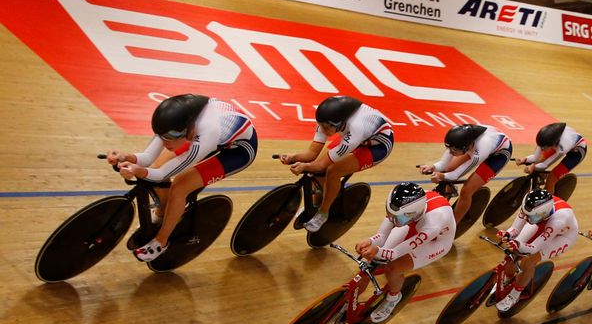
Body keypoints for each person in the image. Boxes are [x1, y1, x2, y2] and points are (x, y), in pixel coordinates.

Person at [107, 94, 258, 262]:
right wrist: (126, 156)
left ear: (186, 130)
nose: (165, 143)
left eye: (169, 138)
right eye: (161, 137)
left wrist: (138, 170)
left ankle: (161, 242)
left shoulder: (208, 133)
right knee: (155, 165)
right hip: (206, 133)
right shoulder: (174, 124)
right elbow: (148, 157)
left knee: (180, 186)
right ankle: (162, 214)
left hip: (239, 151)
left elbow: (163, 174)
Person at [280, 96, 394, 232]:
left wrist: (305, 166)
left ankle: (323, 213)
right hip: (360, 137)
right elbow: (311, 154)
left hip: (377, 146)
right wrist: (294, 157)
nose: (323, 130)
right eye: (321, 126)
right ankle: (318, 202)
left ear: (339, 124)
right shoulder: (327, 120)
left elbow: (322, 165)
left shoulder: (355, 129)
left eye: (327, 128)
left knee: (333, 171)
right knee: (316, 170)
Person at [355, 182, 456, 323]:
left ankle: (393, 297)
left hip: (436, 242)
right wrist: (370, 241)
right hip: (414, 224)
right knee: (369, 265)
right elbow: (382, 236)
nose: (391, 219)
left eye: (396, 217)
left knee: (393, 268)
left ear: (411, 214)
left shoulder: (433, 223)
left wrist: (377, 250)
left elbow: (395, 253)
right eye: (390, 213)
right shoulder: (402, 208)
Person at [495, 188, 578, 311]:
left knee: (529, 260)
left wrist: (518, 244)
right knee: (513, 252)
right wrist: (508, 234)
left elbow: (534, 248)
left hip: (563, 236)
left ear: (542, 214)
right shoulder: (530, 207)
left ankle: (515, 295)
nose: (528, 220)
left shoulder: (559, 219)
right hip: (542, 223)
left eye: (531, 218)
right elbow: (515, 228)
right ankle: (508, 279)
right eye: (526, 216)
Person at [419, 124, 512, 225]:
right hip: (479, 144)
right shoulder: (458, 142)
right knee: (447, 169)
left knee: (466, 191)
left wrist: (441, 176)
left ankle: (451, 226)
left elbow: (456, 175)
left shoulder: (480, 151)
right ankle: (448, 192)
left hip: (498, 156)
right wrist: (432, 167)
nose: (450, 152)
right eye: (449, 149)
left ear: (465, 147)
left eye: (453, 150)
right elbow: (443, 165)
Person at [516, 122, 586, 194]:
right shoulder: (545, 137)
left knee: (551, 179)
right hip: (560, 142)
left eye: (544, 148)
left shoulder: (562, 147)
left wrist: (533, 167)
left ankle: (550, 202)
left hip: (577, 152)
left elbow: (546, 164)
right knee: (540, 159)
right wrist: (525, 159)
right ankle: (541, 177)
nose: (542, 149)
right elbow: (536, 157)